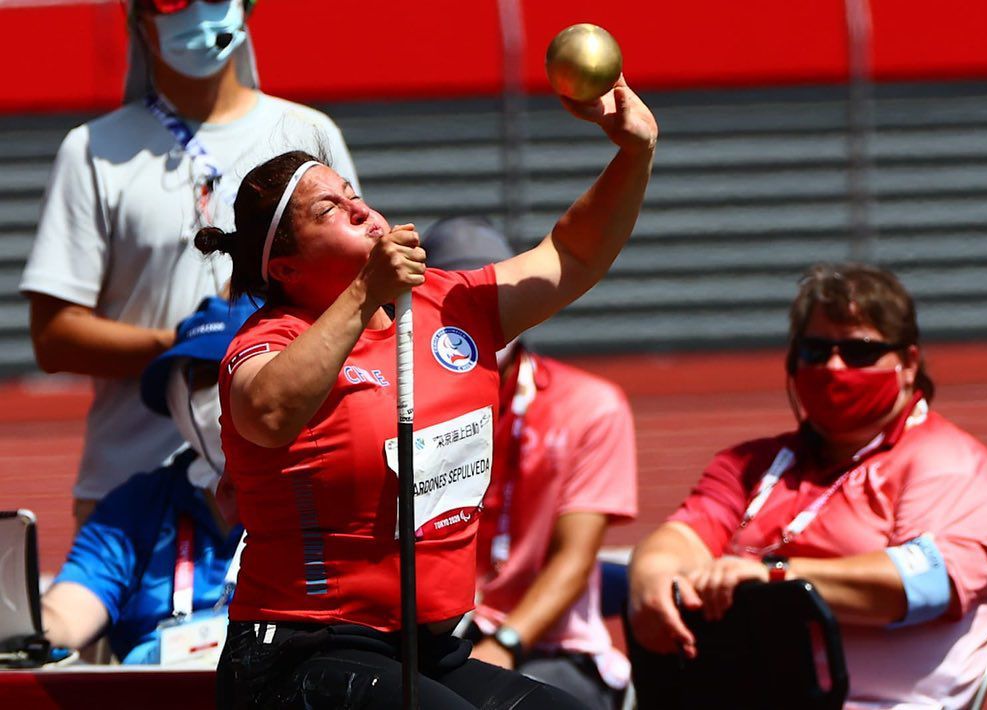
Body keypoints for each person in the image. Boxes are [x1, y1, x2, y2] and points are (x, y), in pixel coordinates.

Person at [197, 74, 656, 708]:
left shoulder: (445, 305)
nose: (359, 208)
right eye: (328, 209)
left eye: (354, 195)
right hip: (302, 651)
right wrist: (364, 295)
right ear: (286, 267)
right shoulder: (270, 338)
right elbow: (268, 411)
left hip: (427, 646)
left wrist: (633, 154)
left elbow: (572, 256)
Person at [19, 0, 358, 525]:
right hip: (131, 496)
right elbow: (53, 336)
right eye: (174, 1)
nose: (197, 14)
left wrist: (247, 351)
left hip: (285, 487)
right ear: (139, 21)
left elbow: (353, 290)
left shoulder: (308, 133)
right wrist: (191, 344)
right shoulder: (91, 150)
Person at [627, 263, 987, 709]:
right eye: (816, 350)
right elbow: (682, 535)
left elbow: (927, 583)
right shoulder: (751, 464)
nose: (834, 366)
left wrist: (775, 577)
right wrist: (653, 577)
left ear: (908, 363)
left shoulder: (948, 463)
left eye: (859, 351)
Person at [422, 217, 638, 710]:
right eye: (454, 300)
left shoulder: (589, 405)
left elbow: (574, 556)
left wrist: (508, 642)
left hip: (547, 647)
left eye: (487, 293)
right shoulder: (398, 410)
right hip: (437, 641)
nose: (475, 315)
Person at [41, 295, 255, 664]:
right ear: (173, 399)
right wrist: (25, 627)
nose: (221, 391)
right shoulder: (135, 507)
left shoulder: (324, 493)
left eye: (237, 369)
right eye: (204, 378)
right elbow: (65, 614)